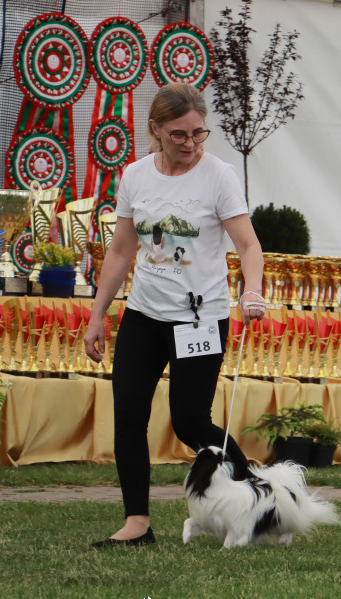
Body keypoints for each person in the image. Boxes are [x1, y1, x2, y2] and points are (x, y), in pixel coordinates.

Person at [84, 83, 266, 548]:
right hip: (144, 314)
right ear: (156, 131)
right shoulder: (135, 176)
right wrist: (97, 315)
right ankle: (137, 523)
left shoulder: (219, 176)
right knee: (128, 416)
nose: (191, 144)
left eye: (199, 134)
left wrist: (253, 290)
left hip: (199, 318)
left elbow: (248, 244)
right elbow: (122, 250)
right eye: (179, 135)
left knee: (189, 423)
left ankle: (256, 497)